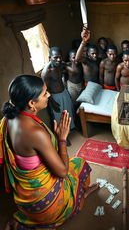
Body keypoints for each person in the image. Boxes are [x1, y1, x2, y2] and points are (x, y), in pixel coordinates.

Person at [1, 75, 99, 230]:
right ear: (32, 103)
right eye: (45, 93)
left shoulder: (8, 119)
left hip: (24, 199)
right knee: (79, 163)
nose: (49, 95)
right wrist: (61, 139)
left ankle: (25, 219)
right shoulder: (35, 132)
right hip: (44, 204)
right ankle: (80, 195)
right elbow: (62, 172)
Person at [41, 47, 75, 130]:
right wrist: (52, 102)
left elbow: (71, 68)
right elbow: (45, 90)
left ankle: (71, 128)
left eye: (60, 57)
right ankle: (62, 137)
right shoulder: (47, 72)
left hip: (64, 92)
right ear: (50, 58)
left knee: (68, 112)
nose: (59, 59)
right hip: (54, 97)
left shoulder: (60, 65)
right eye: (55, 57)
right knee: (58, 117)